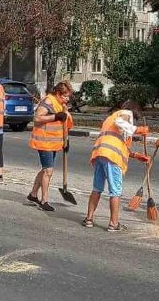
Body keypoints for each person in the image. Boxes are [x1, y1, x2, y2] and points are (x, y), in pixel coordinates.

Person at [82, 101, 150, 231]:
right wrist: (138, 130)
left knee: (97, 188)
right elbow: (121, 123)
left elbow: (116, 143)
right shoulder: (125, 113)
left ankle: (89, 219)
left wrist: (135, 155)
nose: (134, 122)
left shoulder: (109, 119)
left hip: (100, 155)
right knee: (115, 192)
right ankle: (114, 223)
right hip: (112, 159)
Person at [27, 80, 74, 212]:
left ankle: (33, 194)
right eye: (65, 96)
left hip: (53, 142)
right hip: (44, 142)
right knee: (48, 171)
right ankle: (44, 200)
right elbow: (37, 119)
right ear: (58, 93)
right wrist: (55, 116)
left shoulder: (61, 104)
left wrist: (66, 140)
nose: (67, 98)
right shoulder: (48, 102)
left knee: (45, 170)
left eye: (68, 96)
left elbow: (64, 124)